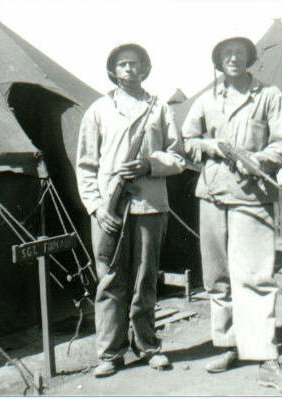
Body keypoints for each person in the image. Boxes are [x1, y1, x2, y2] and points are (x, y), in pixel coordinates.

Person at [182, 36, 282, 394]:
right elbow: (186, 140)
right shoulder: (206, 99)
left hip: (252, 196)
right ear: (218, 60)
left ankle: (267, 357)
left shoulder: (269, 95)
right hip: (212, 194)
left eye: (239, 53)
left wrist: (255, 159)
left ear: (249, 58)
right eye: (226, 54)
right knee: (217, 277)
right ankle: (228, 344)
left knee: (255, 277)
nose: (233, 58)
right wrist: (211, 146)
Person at [77, 43, 187, 377]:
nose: (129, 70)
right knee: (110, 278)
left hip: (150, 206)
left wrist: (149, 165)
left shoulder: (160, 109)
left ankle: (147, 346)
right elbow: (85, 165)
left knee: (145, 278)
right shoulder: (98, 109)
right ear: (113, 71)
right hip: (109, 209)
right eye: (123, 65)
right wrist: (97, 208)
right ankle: (110, 353)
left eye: (135, 64)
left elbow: (178, 157)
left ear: (144, 69)